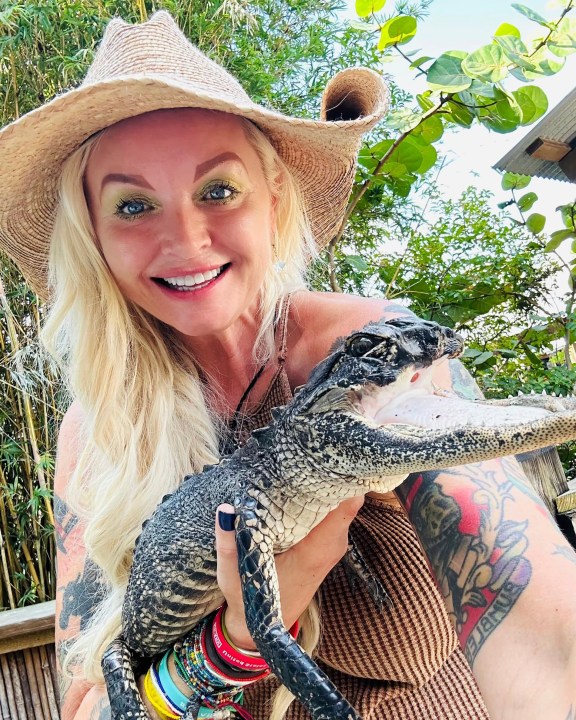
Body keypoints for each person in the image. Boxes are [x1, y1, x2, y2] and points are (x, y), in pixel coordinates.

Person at [0, 11, 574, 720]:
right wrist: (233, 641)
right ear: (95, 236)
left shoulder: (372, 353)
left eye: (217, 190)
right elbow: (89, 704)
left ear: (273, 198)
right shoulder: (95, 431)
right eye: (133, 204)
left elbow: (550, 636)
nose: (185, 239)